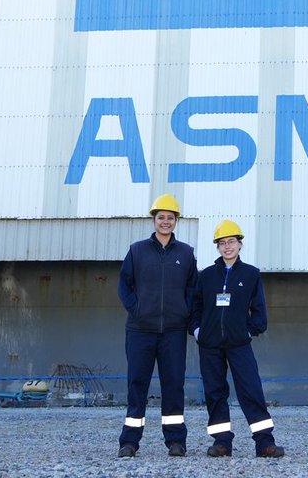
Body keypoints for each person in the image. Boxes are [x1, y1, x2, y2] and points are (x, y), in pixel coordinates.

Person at [190, 220, 285, 458]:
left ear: (240, 244)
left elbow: (259, 310)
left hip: (239, 343)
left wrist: (248, 331)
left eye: (231, 241)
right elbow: (195, 307)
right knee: (214, 392)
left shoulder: (251, 274)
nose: (227, 246)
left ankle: (264, 442)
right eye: (222, 243)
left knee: (251, 389)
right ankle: (221, 442)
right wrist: (198, 331)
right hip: (210, 345)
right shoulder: (207, 275)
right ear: (218, 247)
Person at [116, 193, 198, 458]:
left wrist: (184, 312)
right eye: (161, 217)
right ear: (154, 220)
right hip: (140, 331)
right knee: (137, 384)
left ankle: (176, 441)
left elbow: (192, 289)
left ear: (176, 221)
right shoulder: (137, 250)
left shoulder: (186, 253)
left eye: (170, 218)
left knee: (173, 385)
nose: (165, 221)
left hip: (173, 332)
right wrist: (137, 310)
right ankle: (129, 442)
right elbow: (124, 285)